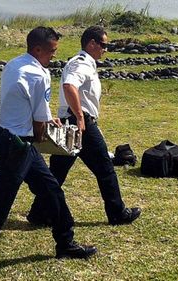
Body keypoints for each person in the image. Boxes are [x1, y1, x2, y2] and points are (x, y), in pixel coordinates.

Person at [0, 27, 97, 274]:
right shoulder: (38, 75)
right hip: (18, 145)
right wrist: (44, 127)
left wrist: (41, 118)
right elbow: (39, 126)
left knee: (52, 190)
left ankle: (65, 241)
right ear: (38, 49)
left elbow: (27, 106)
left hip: (10, 139)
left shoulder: (14, 64)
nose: (54, 55)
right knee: (0, 204)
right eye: (52, 51)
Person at [27, 26, 141, 226]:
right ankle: (117, 212)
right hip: (80, 123)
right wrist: (80, 116)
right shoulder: (81, 64)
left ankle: (39, 213)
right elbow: (69, 86)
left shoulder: (85, 63)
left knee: (57, 171)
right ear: (92, 43)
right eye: (103, 45)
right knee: (105, 168)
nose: (105, 49)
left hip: (75, 121)